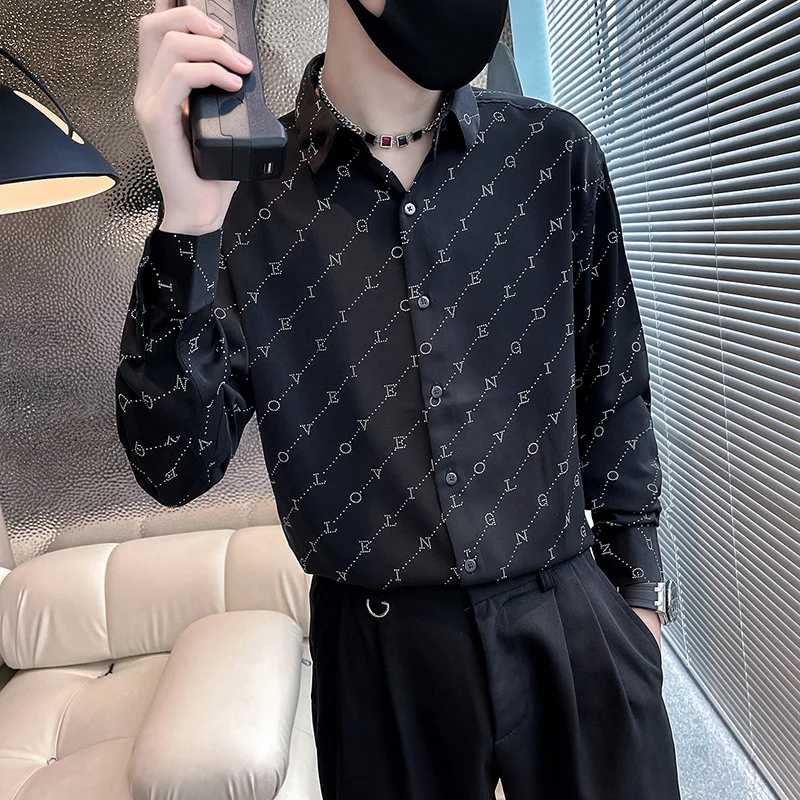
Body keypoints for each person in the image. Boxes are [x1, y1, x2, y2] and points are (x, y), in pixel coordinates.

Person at [117, 0, 682, 797]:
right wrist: (188, 221)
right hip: (377, 665)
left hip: (572, 624)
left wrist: (640, 607)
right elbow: (174, 463)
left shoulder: (551, 154)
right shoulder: (247, 195)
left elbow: (615, 392)